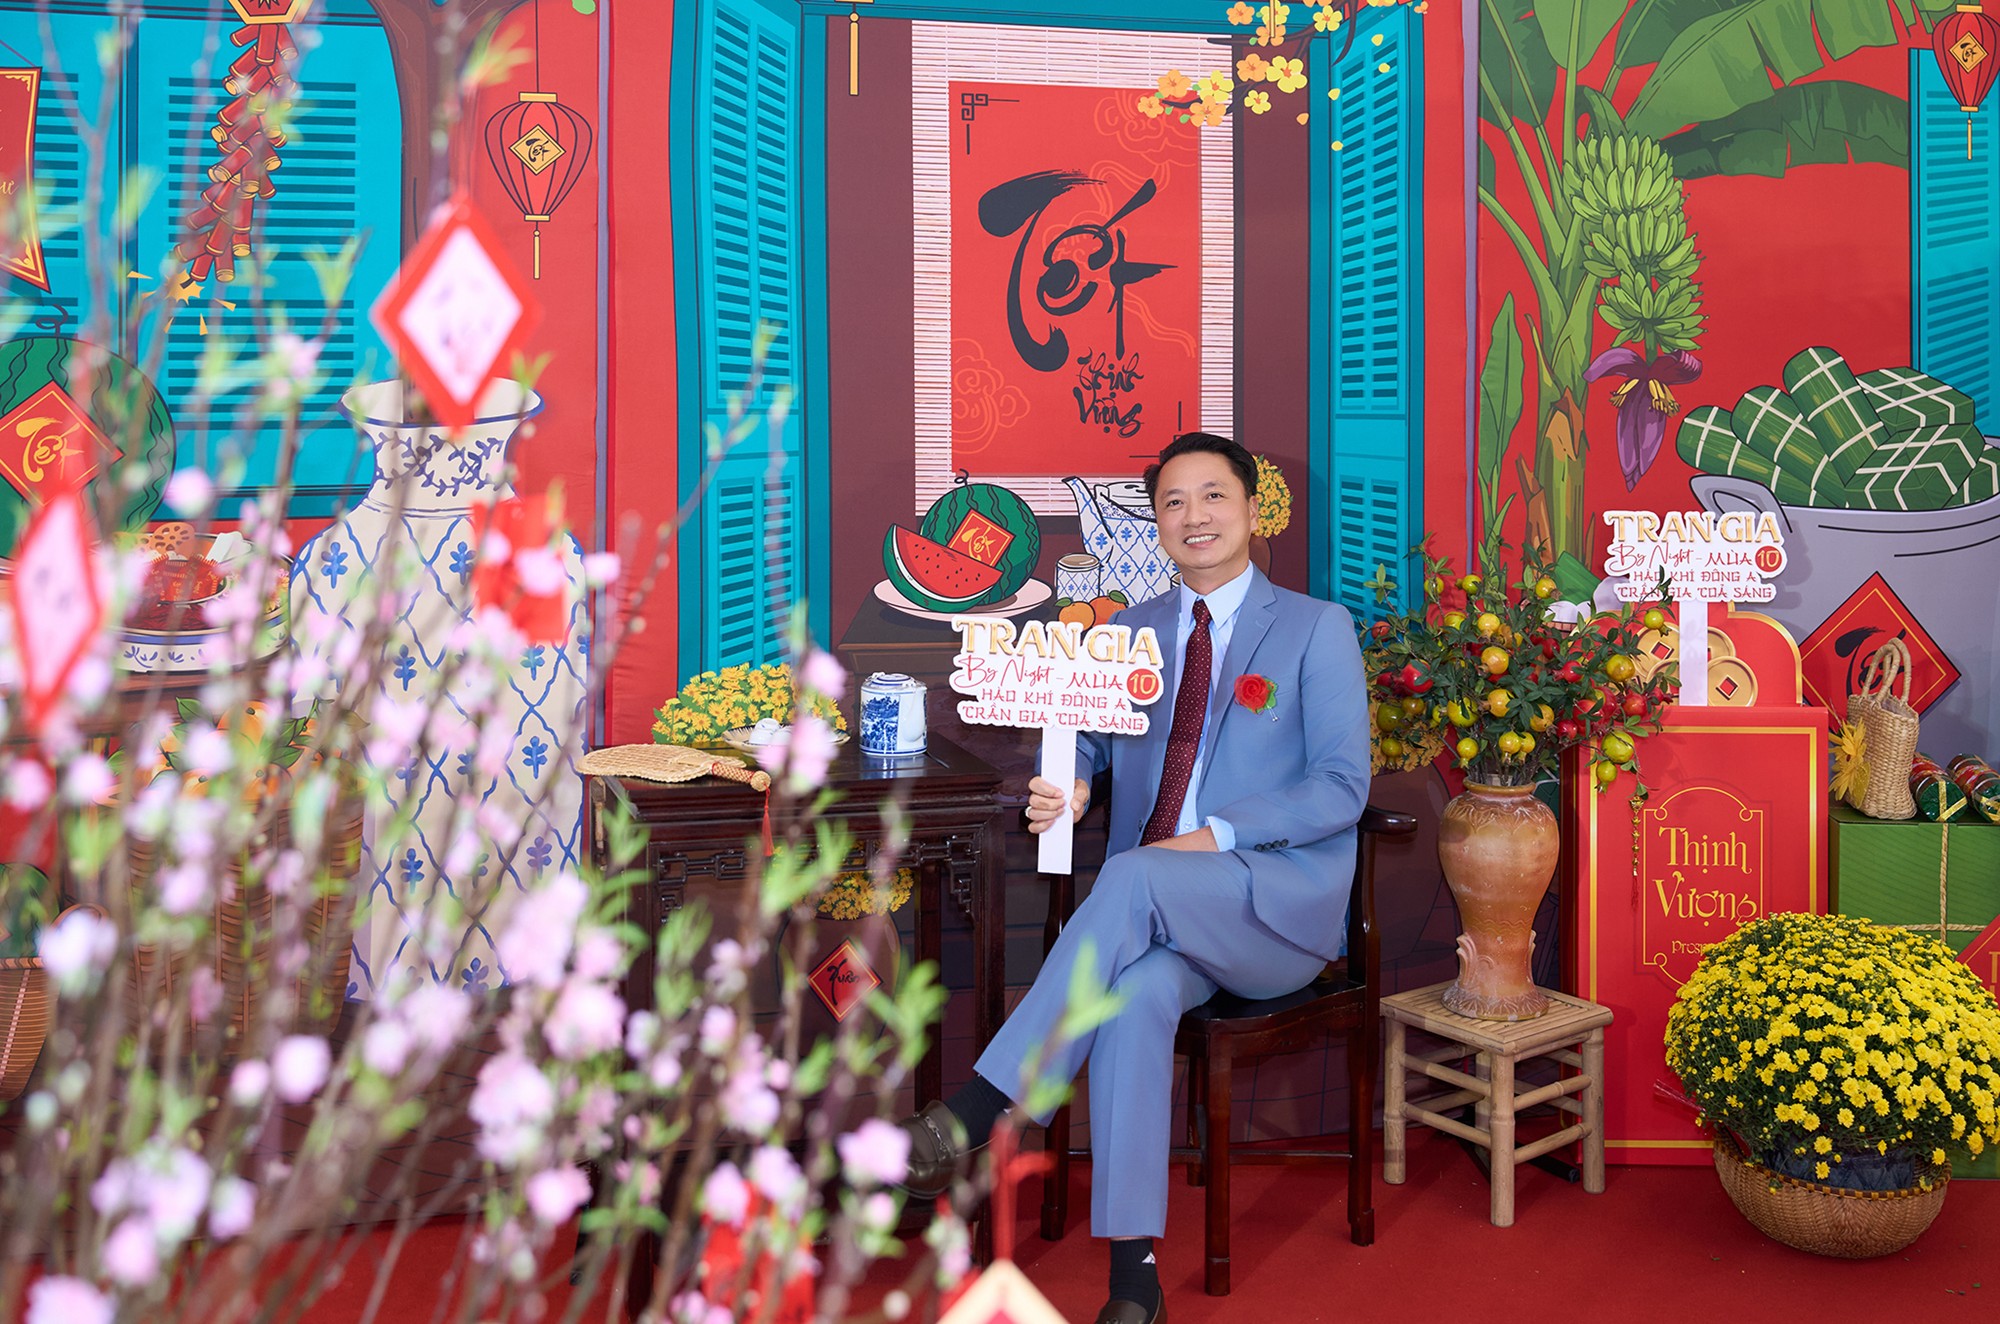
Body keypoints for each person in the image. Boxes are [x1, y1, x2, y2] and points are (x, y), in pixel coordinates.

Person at [896, 432, 1371, 1323]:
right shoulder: (1129, 632)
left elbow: (1342, 787)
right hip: (1154, 921)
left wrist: (1217, 836)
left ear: (1253, 509)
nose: (1194, 516)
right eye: (1173, 503)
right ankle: (1134, 1278)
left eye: (1213, 495)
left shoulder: (1317, 628)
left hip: (1270, 911)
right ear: (1156, 524)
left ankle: (979, 1108)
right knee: (1132, 998)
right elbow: (1091, 739)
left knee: (1133, 877)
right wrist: (1074, 784)